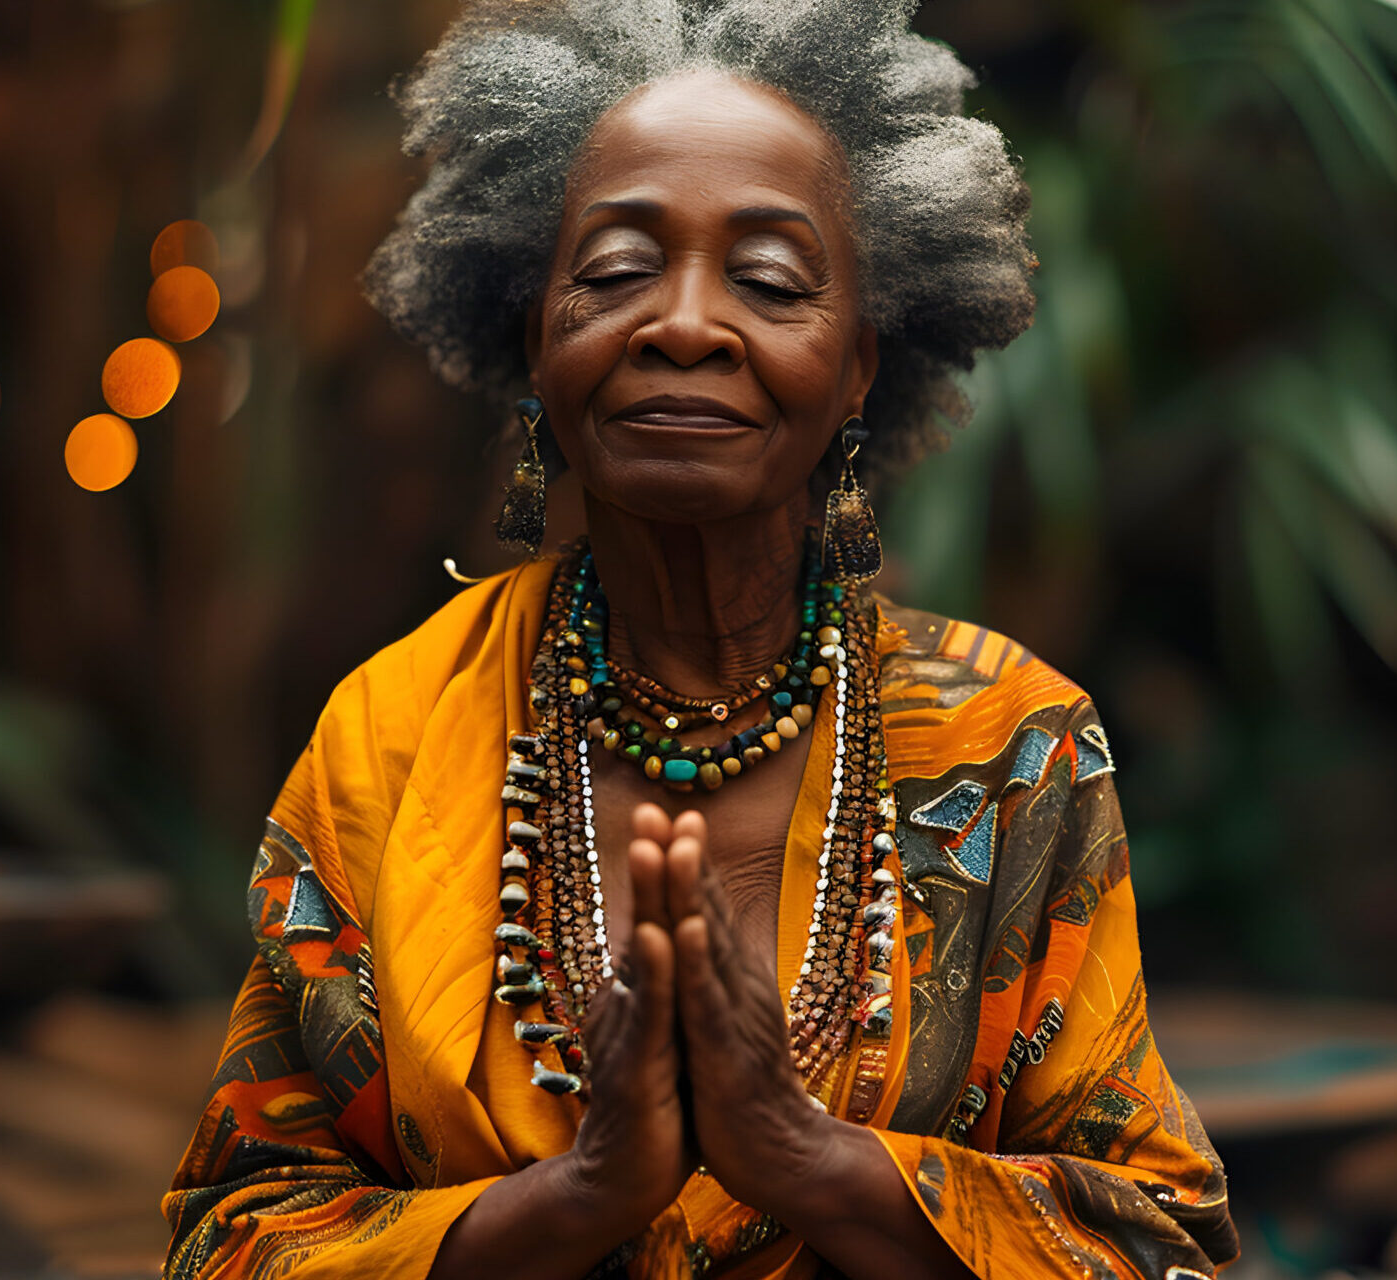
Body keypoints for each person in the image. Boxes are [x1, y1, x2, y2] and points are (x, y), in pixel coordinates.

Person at [161, 2, 1237, 1276]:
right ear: (536, 338)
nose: (682, 323)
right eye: (616, 270)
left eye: (770, 281)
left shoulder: (1011, 744)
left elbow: (1159, 1239)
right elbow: (235, 1235)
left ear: (857, 366)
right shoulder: (388, 735)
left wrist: (798, 1151)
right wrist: (582, 1193)